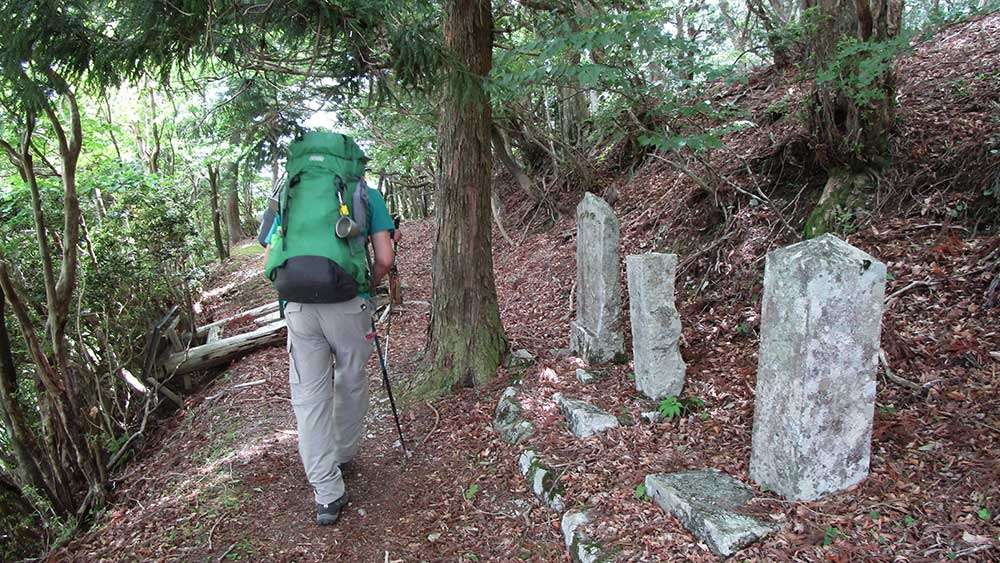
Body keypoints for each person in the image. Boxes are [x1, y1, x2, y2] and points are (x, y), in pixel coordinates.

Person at [261, 133, 394, 526]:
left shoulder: (287, 192)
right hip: (349, 305)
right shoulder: (366, 193)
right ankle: (343, 453)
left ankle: (326, 493)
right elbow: (384, 256)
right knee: (351, 380)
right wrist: (369, 284)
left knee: (309, 398)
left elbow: (268, 257)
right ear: (349, 161)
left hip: (299, 308)